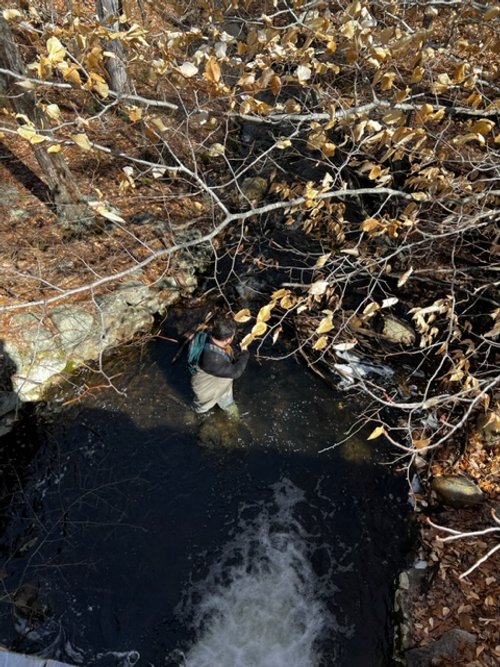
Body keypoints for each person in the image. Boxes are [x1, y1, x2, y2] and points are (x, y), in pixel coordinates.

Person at [191, 318, 249, 416]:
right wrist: (245, 353)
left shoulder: (209, 337)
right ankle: (193, 416)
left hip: (218, 381)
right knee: (201, 408)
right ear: (229, 339)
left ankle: (231, 413)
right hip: (206, 388)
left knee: (227, 401)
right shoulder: (213, 359)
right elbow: (236, 373)